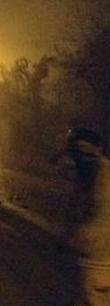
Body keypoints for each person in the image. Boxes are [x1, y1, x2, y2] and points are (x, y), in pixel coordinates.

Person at [65, 128, 110, 306]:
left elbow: (102, 221)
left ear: (97, 148)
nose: (82, 153)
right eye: (78, 149)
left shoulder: (102, 177)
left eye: (86, 148)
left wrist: (75, 238)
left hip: (99, 264)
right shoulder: (88, 173)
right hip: (92, 262)